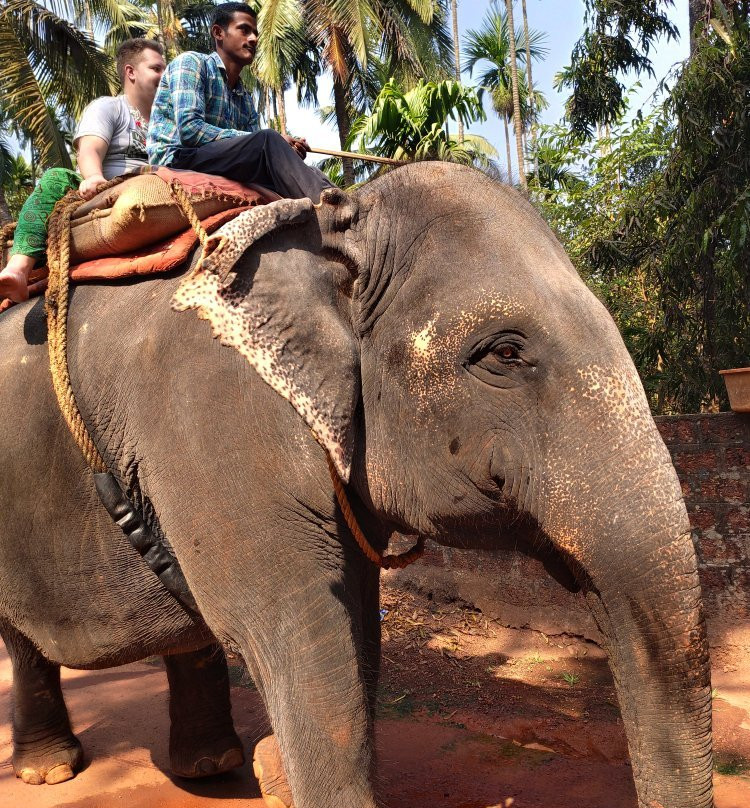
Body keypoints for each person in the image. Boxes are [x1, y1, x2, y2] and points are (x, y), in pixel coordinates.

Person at [0, 38, 167, 303]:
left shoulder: (171, 122)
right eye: (157, 69)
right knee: (56, 177)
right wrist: (93, 177)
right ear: (131, 72)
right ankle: (18, 269)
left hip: (156, 186)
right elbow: (89, 150)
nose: (164, 75)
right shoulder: (109, 108)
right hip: (108, 184)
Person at [147, 2, 333, 203]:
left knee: (312, 172)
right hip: (177, 159)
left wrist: (286, 150)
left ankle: (334, 200)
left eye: (255, 33)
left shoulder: (244, 96)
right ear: (218, 33)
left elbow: (253, 149)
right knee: (268, 139)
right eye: (244, 30)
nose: (253, 39)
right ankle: (329, 208)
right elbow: (190, 130)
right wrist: (274, 141)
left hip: (217, 161)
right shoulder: (191, 63)